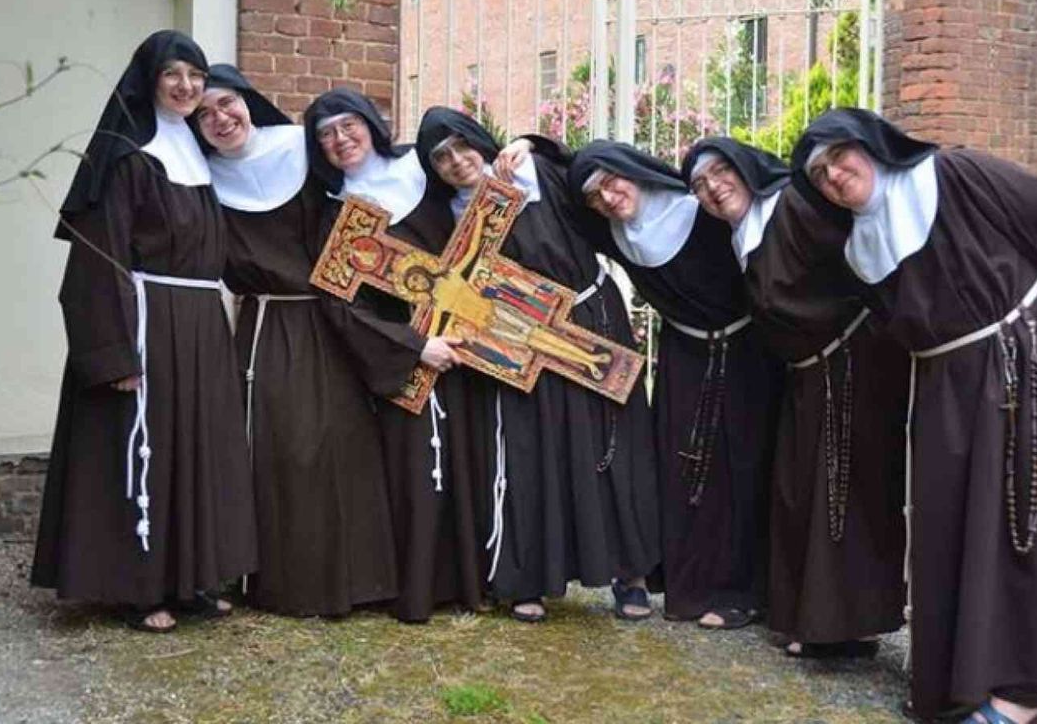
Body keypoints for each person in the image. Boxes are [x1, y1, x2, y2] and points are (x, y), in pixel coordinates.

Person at [794, 108, 1037, 723]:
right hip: (947, 383)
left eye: (838, 157)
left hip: (1029, 358)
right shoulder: (860, 247)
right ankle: (954, 683)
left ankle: (1018, 698)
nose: (833, 175)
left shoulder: (952, 174)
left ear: (872, 147)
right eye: (819, 174)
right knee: (949, 526)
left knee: (1022, 521)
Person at [31, 30, 256, 633]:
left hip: (201, 324)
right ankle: (139, 588)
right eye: (173, 75)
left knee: (196, 452)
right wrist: (115, 351)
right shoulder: (128, 157)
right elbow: (98, 260)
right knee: (144, 451)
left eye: (196, 76)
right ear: (149, 79)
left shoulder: (198, 153)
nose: (187, 87)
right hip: (149, 323)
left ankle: (190, 581)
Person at [414, 108, 659, 623]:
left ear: (482, 141)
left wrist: (534, 141)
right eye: (442, 158)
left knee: (610, 446)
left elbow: (584, 169)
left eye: (463, 147)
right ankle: (528, 577)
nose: (458, 162)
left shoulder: (534, 172)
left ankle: (630, 574)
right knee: (529, 452)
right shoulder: (450, 214)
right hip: (515, 336)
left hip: (590, 319)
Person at [681, 137, 907, 660]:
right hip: (811, 372)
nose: (713, 188)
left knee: (842, 496)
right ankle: (815, 619)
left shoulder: (794, 205)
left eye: (720, 173)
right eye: (699, 185)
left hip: (852, 365)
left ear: (743, 167)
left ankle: (843, 628)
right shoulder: (743, 231)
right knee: (802, 492)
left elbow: (864, 252)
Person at [190, 65, 399, 616]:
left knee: (346, 444)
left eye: (227, 103)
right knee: (280, 449)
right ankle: (282, 581)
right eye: (204, 113)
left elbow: (377, 181)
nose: (220, 118)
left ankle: (359, 579)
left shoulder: (301, 152)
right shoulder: (203, 177)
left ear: (248, 101)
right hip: (266, 326)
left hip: (332, 319)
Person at [567, 141, 783, 629]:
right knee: (684, 473)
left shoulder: (701, 211)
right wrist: (523, 146)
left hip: (746, 351)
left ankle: (743, 592)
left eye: (610, 181)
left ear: (631, 171)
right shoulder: (615, 233)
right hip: (684, 356)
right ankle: (691, 586)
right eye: (595, 196)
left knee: (744, 468)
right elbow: (550, 173)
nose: (608, 197)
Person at [303, 89, 485, 623]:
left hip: (466, 341)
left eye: (348, 125)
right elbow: (340, 307)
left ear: (370, 123)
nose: (340, 140)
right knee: (415, 471)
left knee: (469, 463)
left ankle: (474, 581)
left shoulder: (423, 170)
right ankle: (420, 590)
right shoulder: (337, 211)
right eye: (326, 135)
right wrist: (415, 346)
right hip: (407, 353)